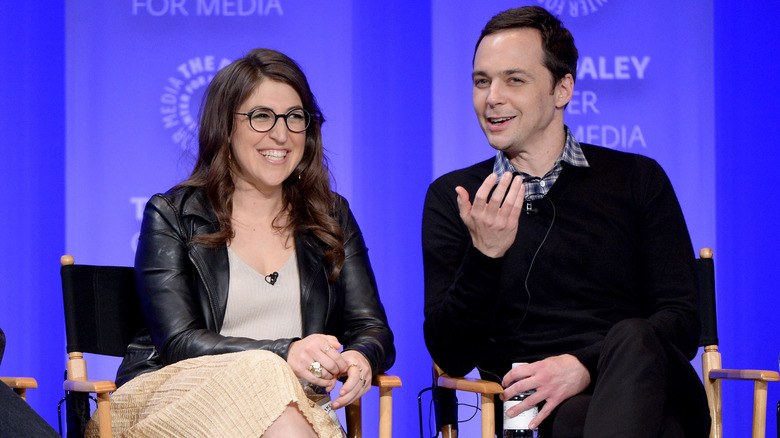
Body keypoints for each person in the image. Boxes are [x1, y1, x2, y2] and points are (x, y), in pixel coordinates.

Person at [422, 6, 710, 437]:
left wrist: (584, 365)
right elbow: (452, 352)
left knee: (631, 336)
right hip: (539, 405)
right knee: (585, 421)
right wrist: (486, 254)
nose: (491, 97)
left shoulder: (637, 178)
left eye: (514, 80)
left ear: (562, 89)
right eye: (482, 81)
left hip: (654, 380)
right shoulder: (460, 197)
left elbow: (683, 321)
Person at [90, 48, 395, 437]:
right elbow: (179, 343)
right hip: (182, 403)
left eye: (295, 117)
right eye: (261, 117)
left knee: (282, 403)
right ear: (225, 126)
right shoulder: (172, 214)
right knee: (265, 371)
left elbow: (372, 327)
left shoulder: (331, 215)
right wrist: (285, 352)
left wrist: (359, 357)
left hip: (298, 408)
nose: (281, 135)